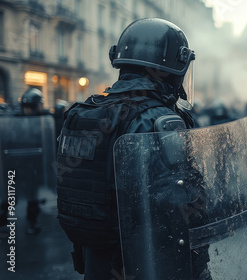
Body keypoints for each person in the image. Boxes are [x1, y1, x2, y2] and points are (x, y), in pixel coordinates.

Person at [56, 18, 200, 279]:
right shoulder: (159, 119)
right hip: (146, 257)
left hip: (94, 252)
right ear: (175, 66)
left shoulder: (88, 111)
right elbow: (177, 201)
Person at [0, 88, 53, 234]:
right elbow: (7, 139)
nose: (29, 111)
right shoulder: (14, 118)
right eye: (27, 107)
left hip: (33, 165)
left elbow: (48, 142)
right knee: (10, 194)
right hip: (14, 163)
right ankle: (4, 219)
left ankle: (32, 221)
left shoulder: (45, 118)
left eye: (32, 107)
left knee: (32, 196)